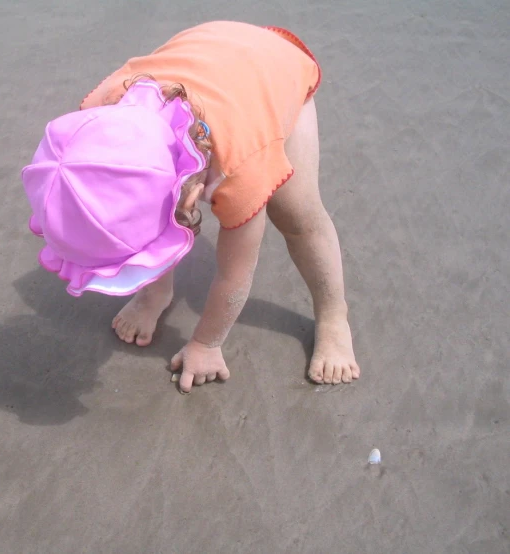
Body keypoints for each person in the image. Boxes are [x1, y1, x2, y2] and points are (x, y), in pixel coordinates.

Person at [22, 21, 360, 394]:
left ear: (188, 195)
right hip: (206, 53)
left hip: (275, 68)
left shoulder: (241, 168)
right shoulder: (98, 118)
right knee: (147, 210)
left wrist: (206, 342)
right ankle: (156, 293)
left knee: (296, 214)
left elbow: (234, 278)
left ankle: (333, 315)